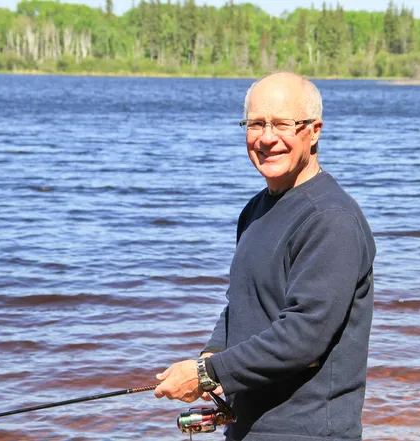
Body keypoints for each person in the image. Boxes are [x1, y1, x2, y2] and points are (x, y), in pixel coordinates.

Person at [154, 71, 376, 441]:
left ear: (314, 130)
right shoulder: (255, 210)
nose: (267, 138)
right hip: (247, 429)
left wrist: (209, 374)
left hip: (307, 432)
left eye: (282, 124)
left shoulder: (330, 219)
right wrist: (210, 356)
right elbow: (242, 305)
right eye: (256, 124)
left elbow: (304, 338)